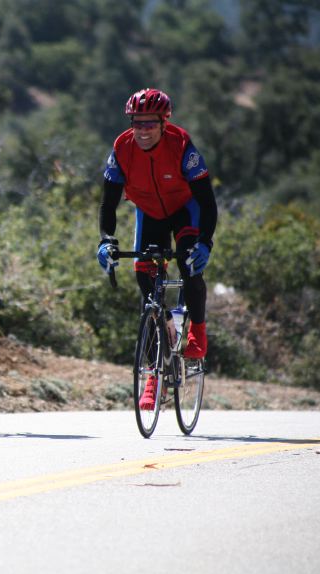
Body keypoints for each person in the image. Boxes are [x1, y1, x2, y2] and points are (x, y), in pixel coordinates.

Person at [96, 88, 218, 410]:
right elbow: (108, 203)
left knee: (190, 264)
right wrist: (106, 239)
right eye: (137, 122)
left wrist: (205, 242)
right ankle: (153, 375)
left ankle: (198, 334)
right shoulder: (121, 148)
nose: (143, 130)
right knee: (146, 286)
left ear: (164, 123)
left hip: (185, 208)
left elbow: (207, 201)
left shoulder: (181, 145)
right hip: (149, 212)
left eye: (150, 123)